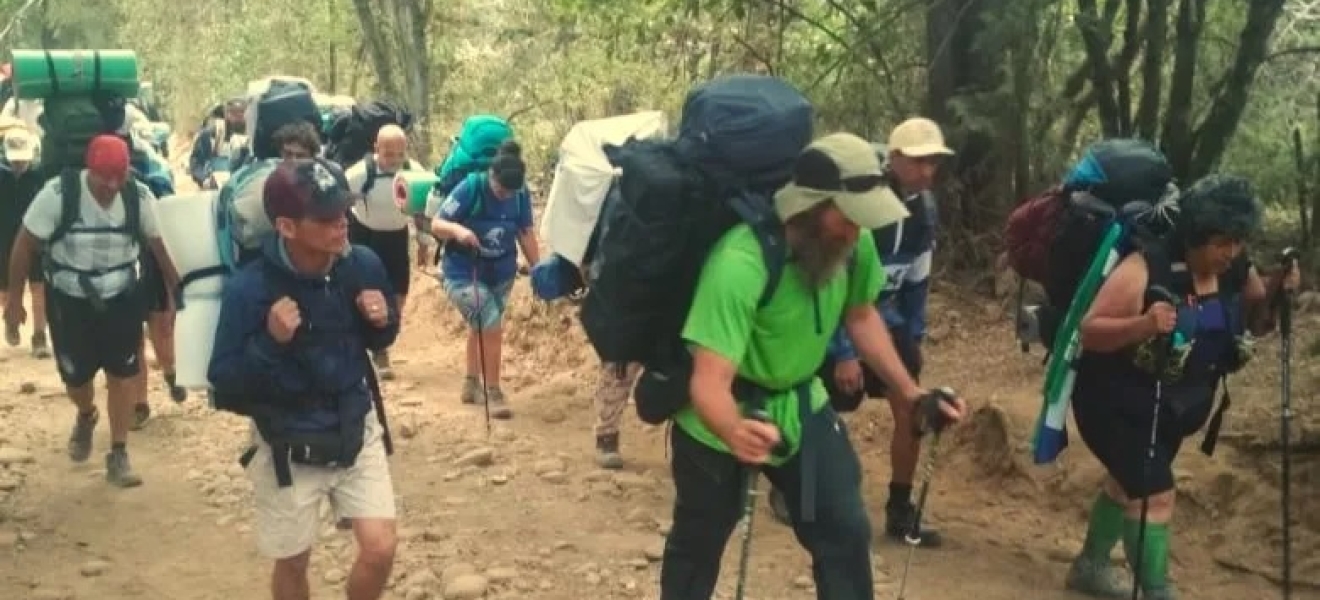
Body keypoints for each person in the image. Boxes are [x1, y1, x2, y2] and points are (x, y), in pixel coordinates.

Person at [660, 132, 967, 599]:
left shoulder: (851, 246)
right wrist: (734, 431)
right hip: (717, 419)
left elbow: (861, 315)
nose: (858, 231)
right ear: (808, 207)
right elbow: (709, 381)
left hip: (803, 404)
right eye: (848, 218)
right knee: (697, 550)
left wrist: (911, 393)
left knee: (844, 532)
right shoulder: (739, 262)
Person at [1065, 175, 1301, 599]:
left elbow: (1253, 322)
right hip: (1113, 404)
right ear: (1195, 235)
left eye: (1238, 241)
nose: (1231, 252)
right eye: (1221, 242)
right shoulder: (1147, 267)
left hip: (1171, 409)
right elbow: (1091, 330)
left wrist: (1279, 294)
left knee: (1126, 485)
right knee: (1155, 497)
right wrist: (1142, 325)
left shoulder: (1236, 273)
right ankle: (1157, 591)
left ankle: (1090, 566)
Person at [208, 158, 400, 600]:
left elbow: (382, 335)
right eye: (327, 217)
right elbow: (227, 385)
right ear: (287, 227)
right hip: (287, 445)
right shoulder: (249, 289)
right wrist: (271, 341)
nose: (342, 224)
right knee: (294, 561)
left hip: (356, 426)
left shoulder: (362, 264)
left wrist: (381, 319)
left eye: (343, 211)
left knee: (381, 548)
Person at [775, 117, 956, 544]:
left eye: (934, 161)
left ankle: (899, 508)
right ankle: (792, 483)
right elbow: (834, 281)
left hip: (887, 321)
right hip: (840, 322)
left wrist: (914, 338)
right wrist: (843, 351)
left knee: (911, 409)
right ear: (894, 158)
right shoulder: (859, 204)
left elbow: (917, 280)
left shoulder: (923, 211)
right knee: (818, 401)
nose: (928, 170)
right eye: (918, 160)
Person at [3, 135, 178, 488]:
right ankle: (86, 413)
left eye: (119, 176)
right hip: (70, 299)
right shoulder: (58, 195)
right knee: (75, 378)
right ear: (89, 170)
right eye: (104, 178)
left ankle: (118, 451)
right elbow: (24, 246)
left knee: (123, 373)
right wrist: (14, 302)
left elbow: (161, 250)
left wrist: (177, 297)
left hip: (122, 297)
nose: (112, 186)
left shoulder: (138, 197)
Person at [429, 140, 539, 419]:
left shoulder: (520, 194)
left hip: (501, 272)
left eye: (509, 192)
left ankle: (470, 383)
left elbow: (525, 231)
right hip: (463, 270)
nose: (504, 196)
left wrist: (537, 268)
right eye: (500, 189)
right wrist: (458, 231)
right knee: (489, 320)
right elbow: (437, 224)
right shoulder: (471, 187)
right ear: (491, 175)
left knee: (481, 325)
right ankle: (493, 391)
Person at [345, 124, 425, 379]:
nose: (394, 160)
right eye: (388, 153)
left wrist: (423, 242)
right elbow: (339, 203)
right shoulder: (359, 173)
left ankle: (383, 338)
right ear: (376, 149)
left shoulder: (414, 172)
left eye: (400, 154)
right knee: (367, 293)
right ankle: (377, 350)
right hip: (364, 236)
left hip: (397, 237)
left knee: (398, 295)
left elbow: (422, 211)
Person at [0, 129, 50, 357]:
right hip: (5, 238)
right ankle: (11, 320)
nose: (19, 164)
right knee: (6, 289)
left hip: (36, 237)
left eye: (23, 159)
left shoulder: (40, 176)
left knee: (39, 287)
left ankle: (39, 335)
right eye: (15, 160)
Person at [190, 97, 247, 187]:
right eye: (234, 113)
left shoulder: (252, 133)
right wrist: (205, 180)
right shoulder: (212, 132)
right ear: (226, 114)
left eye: (242, 113)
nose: (239, 118)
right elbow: (196, 163)